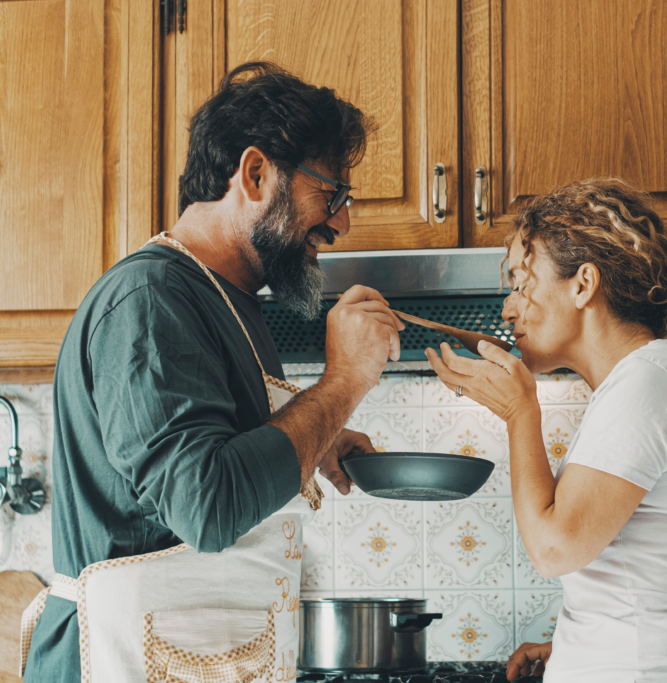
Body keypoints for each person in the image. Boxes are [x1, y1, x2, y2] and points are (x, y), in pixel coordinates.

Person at [21, 62, 404, 682]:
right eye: (331, 194)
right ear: (255, 173)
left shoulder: (226, 298)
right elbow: (206, 506)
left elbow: (207, 460)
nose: (342, 222)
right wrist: (343, 385)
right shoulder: (150, 299)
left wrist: (314, 439)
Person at [427, 178, 667, 682]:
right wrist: (589, 640)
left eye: (520, 282)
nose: (509, 308)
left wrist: (519, 413)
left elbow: (553, 549)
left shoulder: (646, 380)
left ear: (583, 284)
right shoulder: (656, 376)